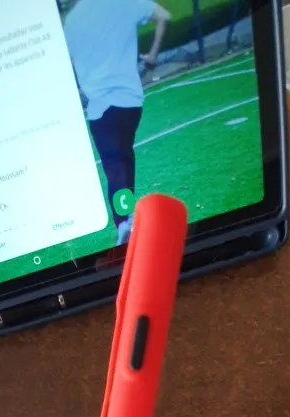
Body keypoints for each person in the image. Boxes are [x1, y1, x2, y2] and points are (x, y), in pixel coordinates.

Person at [64, 0, 170, 246]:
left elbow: (69, 62)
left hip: (99, 107)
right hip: (129, 100)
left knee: (115, 164)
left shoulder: (72, 20)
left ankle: (124, 222)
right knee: (123, 157)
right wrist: (152, 56)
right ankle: (126, 218)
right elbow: (163, 17)